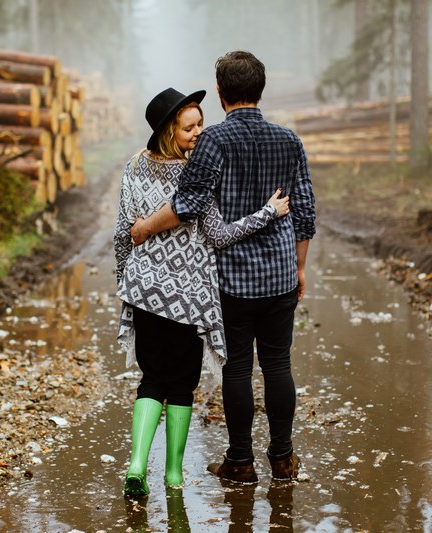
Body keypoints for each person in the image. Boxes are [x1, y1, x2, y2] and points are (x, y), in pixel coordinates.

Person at [130, 51, 316, 483]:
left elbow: (188, 204)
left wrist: (143, 228)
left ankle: (240, 462)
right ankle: (284, 460)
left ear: (220, 92)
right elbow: (305, 210)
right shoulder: (289, 141)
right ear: (261, 89)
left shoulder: (213, 141)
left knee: (236, 369)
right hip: (279, 277)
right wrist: (299, 267)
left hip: (231, 281)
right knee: (278, 364)